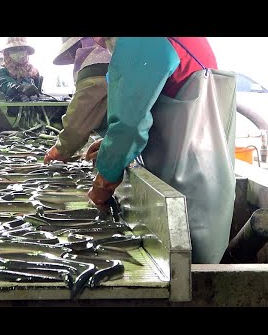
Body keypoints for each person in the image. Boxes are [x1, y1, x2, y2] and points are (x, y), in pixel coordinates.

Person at [86, 37, 237, 264]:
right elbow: (145, 103)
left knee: (186, 276)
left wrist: (102, 186)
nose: (97, 43)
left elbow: (129, 126)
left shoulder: (140, 40)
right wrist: (111, 144)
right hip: (208, 183)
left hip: (187, 193)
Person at [43, 37, 112, 164]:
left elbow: (78, 123)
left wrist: (61, 149)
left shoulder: (95, 64)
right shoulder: (119, 57)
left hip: (152, 146)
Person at [0, 37, 42, 102]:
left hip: (31, 110)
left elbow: (38, 93)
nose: (18, 52)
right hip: (7, 111)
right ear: (7, 53)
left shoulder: (33, 72)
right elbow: (4, 84)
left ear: (27, 51)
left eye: (22, 49)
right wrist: (20, 87)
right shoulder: (1, 71)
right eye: (14, 50)